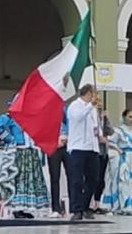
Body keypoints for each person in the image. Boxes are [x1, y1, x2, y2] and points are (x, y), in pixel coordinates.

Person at [0, 103, 50, 219]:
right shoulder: (11, 117)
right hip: (19, 151)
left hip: (30, 152)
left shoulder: (31, 117)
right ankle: (16, 208)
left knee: (29, 181)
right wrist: (9, 138)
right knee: (18, 179)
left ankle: (24, 207)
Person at [66, 84, 103, 221]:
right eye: (95, 94)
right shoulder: (75, 105)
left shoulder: (93, 109)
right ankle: (76, 209)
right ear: (88, 93)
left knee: (93, 179)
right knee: (77, 180)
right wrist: (89, 106)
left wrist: (99, 134)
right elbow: (78, 118)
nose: (96, 97)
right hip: (78, 147)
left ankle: (85, 206)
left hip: (92, 148)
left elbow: (95, 124)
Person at [91, 97, 113, 213]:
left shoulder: (103, 119)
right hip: (93, 151)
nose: (99, 105)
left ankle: (98, 203)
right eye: (97, 102)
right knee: (93, 178)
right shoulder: (90, 117)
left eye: (100, 103)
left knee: (101, 179)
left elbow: (110, 131)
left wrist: (106, 117)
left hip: (103, 152)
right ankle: (90, 203)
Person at [47, 109, 69, 218]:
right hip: (53, 146)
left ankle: (73, 207)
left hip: (67, 145)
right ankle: (55, 207)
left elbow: (72, 124)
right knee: (54, 177)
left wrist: (66, 138)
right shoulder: (46, 110)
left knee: (72, 176)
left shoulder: (66, 109)